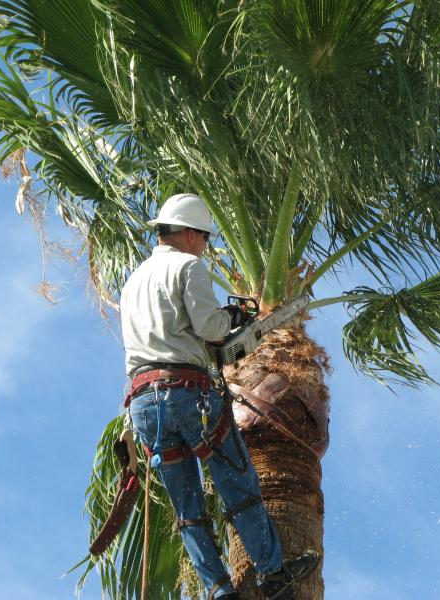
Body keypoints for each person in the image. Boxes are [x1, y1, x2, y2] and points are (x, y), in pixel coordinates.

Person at [120, 193, 319, 600]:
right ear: (191, 234)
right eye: (205, 239)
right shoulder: (188, 266)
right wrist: (234, 318)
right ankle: (271, 572)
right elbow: (211, 329)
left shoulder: (133, 281)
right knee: (237, 484)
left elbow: (171, 335)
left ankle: (219, 590)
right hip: (187, 396)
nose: (205, 247)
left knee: (188, 511)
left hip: (143, 403)